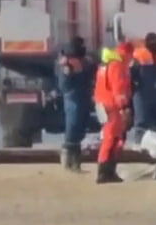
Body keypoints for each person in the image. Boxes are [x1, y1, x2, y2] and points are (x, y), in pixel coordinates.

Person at [94, 41, 135, 184]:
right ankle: (105, 171)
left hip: (103, 104)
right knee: (113, 138)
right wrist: (124, 108)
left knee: (111, 137)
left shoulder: (106, 64)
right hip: (112, 107)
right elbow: (119, 89)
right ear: (127, 54)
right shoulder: (118, 66)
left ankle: (107, 170)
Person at [55, 36, 92, 171]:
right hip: (73, 97)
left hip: (82, 96)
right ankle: (68, 159)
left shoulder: (83, 61)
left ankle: (75, 162)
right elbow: (64, 84)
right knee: (73, 124)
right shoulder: (66, 63)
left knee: (80, 126)